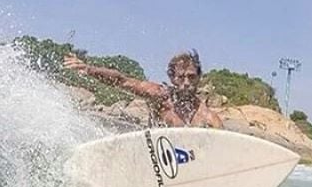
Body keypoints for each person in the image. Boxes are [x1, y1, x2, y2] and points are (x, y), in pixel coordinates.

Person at [63, 50, 223, 128]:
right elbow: (122, 80)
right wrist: (89, 69)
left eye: (191, 77)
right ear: (172, 78)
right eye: (181, 77)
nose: (186, 82)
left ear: (199, 77)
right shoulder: (160, 96)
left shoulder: (209, 118)